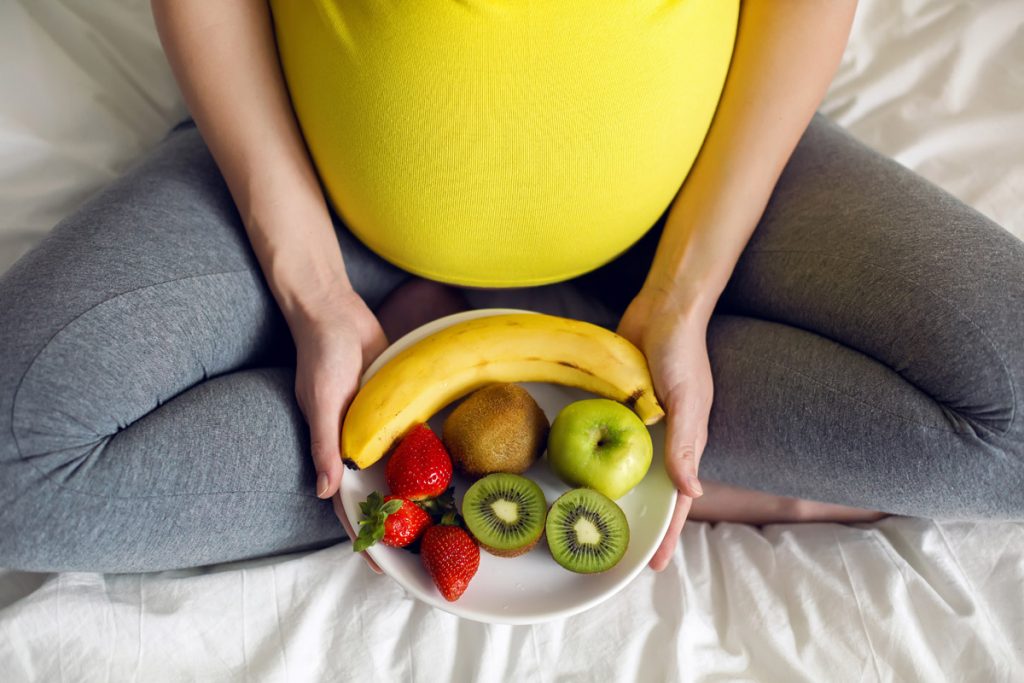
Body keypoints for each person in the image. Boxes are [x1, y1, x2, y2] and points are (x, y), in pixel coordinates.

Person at [1, 0, 1022, 575]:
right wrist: (307, 284)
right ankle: (459, 411)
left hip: (693, 189)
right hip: (316, 187)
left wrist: (686, 292)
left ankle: (499, 429)